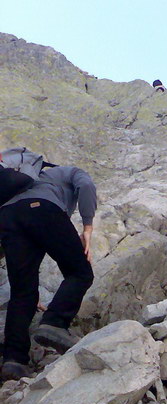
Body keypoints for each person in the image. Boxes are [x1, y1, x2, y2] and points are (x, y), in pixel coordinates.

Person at [0, 149, 97, 381]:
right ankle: (54, 323)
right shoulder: (65, 173)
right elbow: (86, 185)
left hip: (7, 218)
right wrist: (87, 228)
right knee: (80, 272)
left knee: (23, 294)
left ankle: (14, 361)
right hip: (43, 208)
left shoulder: (12, 189)